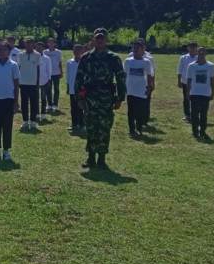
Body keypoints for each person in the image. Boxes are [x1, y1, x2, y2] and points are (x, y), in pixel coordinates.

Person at [75, 28, 126, 169]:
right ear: (93, 39)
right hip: (90, 97)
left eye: (102, 38)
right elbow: (79, 78)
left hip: (106, 97)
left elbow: (120, 77)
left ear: (106, 40)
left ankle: (102, 159)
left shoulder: (113, 57)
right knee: (90, 126)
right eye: (97, 38)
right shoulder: (86, 57)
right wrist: (80, 98)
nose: (100, 40)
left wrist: (120, 98)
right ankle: (91, 157)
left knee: (104, 127)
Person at [185, 46, 214, 141]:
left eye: (203, 51)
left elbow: (212, 80)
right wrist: (188, 92)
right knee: (194, 114)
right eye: (199, 51)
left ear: (206, 53)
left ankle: (203, 131)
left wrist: (212, 93)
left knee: (204, 114)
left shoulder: (210, 66)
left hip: (205, 93)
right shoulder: (191, 66)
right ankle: (195, 132)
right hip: (195, 93)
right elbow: (189, 80)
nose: (201, 53)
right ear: (196, 53)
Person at [124, 41, 155, 136]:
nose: (136, 50)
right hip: (130, 89)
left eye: (138, 48)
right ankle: (131, 128)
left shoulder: (146, 62)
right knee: (131, 111)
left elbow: (149, 76)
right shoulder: (128, 61)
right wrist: (123, 87)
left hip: (141, 89)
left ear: (143, 50)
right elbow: (124, 75)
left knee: (140, 110)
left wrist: (149, 87)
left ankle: (139, 128)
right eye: (134, 48)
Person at [17, 37, 41, 129]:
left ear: (33, 44)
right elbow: (18, 68)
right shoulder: (20, 55)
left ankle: (33, 121)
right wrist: (18, 80)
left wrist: (38, 82)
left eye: (30, 43)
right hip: (23, 82)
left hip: (33, 82)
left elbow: (38, 69)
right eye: (27, 43)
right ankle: (25, 121)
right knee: (24, 103)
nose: (28, 45)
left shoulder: (37, 55)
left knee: (34, 103)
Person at [177, 41, 198, 122]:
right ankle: (187, 114)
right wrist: (179, 80)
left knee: (195, 98)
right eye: (191, 47)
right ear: (188, 48)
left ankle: (194, 114)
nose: (192, 49)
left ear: (196, 48)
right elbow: (180, 70)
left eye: (194, 47)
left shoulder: (198, 57)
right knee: (186, 98)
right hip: (186, 81)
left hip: (196, 82)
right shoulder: (183, 58)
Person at [66, 45, 84, 132]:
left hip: (82, 89)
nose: (76, 52)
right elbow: (68, 76)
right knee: (73, 107)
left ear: (81, 51)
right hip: (73, 88)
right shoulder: (69, 62)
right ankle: (74, 124)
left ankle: (81, 124)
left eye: (78, 50)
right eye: (74, 50)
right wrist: (68, 87)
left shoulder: (84, 62)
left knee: (81, 107)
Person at [44, 38, 64, 113]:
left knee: (56, 89)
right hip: (48, 74)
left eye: (52, 43)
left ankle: (55, 104)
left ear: (55, 44)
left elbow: (60, 63)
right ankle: (49, 104)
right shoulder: (45, 52)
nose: (51, 44)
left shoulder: (58, 52)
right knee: (48, 89)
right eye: (49, 42)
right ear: (47, 43)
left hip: (56, 73)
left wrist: (61, 72)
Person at [37, 41, 52, 121]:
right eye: (37, 47)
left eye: (40, 47)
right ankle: (36, 113)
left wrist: (49, 79)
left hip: (44, 80)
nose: (38, 49)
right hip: (35, 81)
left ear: (43, 48)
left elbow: (49, 70)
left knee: (43, 97)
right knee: (35, 98)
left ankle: (43, 113)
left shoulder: (47, 59)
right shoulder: (34, 57)